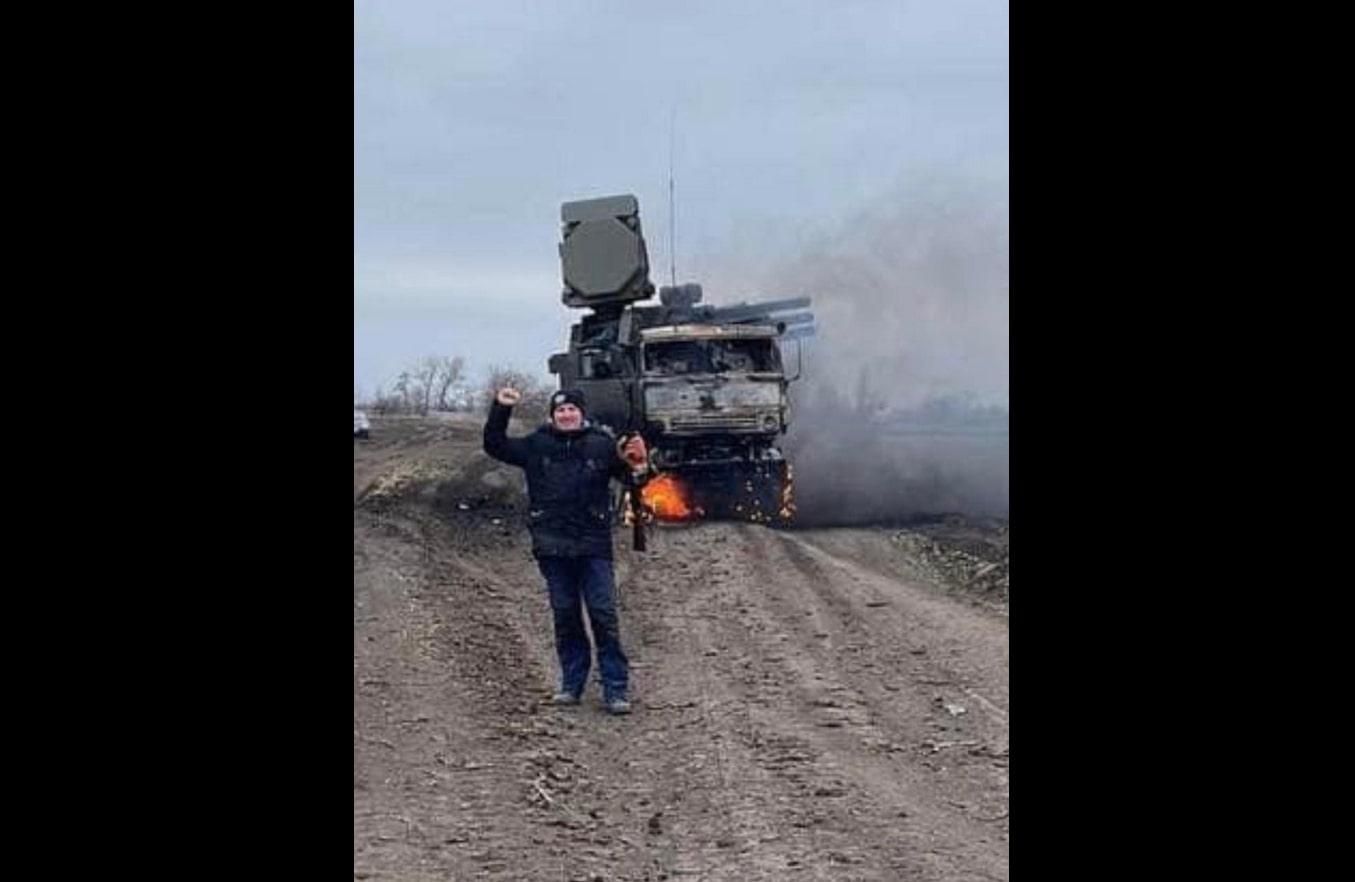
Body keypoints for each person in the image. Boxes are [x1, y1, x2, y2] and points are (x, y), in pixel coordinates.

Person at [483, 386, 650, 715]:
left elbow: (634, 480)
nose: (566, 415)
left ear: (581, 413)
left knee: (603, 615)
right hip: (552, 546)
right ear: (552, 415)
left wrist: (640, 467)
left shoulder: (602, 445)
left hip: (593, 545)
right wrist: (500, 409)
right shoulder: (536, 444)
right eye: (560, 411)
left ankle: (615, 689)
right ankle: (571, 685)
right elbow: (494, 445)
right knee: (566, 616)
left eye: (572, 409)